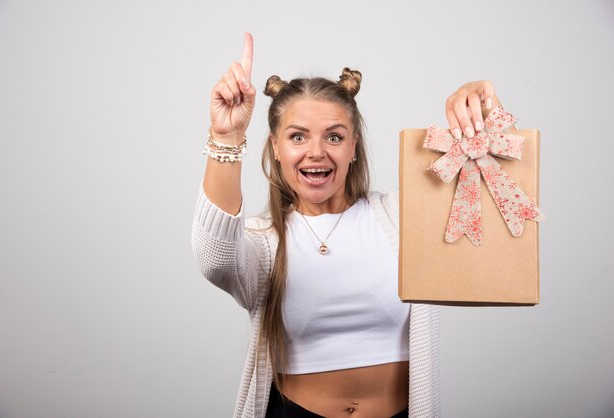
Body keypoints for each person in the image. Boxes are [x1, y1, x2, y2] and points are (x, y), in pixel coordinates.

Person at [192, 33, 501, 418]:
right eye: (298, 136)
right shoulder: (264, 242)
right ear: (275, 146)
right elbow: (215, 258)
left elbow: (488, 190)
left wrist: (481, 110)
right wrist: (227, 134)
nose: (316, 151)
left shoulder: (401, 216)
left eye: (334, 136)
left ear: (353, 146)